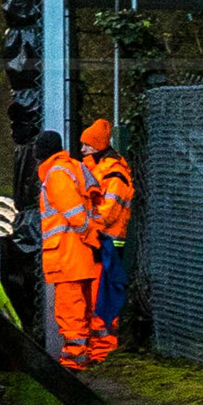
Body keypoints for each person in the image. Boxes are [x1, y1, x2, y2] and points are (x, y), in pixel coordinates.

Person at [35, 126, 104, 371]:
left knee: (69, 308)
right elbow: (94, 204)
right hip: (81, 253)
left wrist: (89, 235)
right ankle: (85, 354)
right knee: (83, 306)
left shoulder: (56, 173)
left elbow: (73, 211)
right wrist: (94, 239)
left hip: (67, 252)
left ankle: (74, 360)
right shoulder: (76, 167)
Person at [77, 117, 134, 362]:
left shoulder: (115, 173)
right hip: (101, 242)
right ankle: (98, 348)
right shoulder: (100, 169)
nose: (82, 150)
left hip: (109, 243)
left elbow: (108, 212)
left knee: (105, 298)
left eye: (87, 146)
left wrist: (85, 223)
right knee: (97, 298)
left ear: (98, 146)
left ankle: (104, 349)